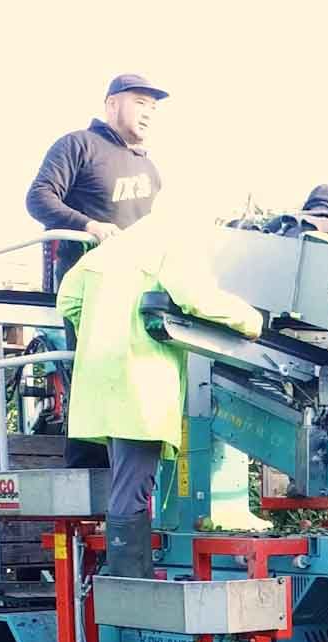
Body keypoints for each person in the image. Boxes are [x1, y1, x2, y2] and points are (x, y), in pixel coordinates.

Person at [57, 217, 268, 568]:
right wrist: (252, 321)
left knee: (125, 477)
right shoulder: (175, 244)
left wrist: (98, 331)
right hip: (140, 384)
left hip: (98, 384)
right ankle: (130, 585)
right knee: (132, 488)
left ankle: (128, 578)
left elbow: (68, 302)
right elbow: (194, 297)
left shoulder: (106, 252)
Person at [28, 74, 171, 295]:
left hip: (135, 285)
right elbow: (39, 198)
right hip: (84, 283)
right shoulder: (79, 144)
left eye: (153, 108)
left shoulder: (150, 169)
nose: (148, 114)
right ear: (112, 104)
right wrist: (91, 226)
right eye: (140, 103)